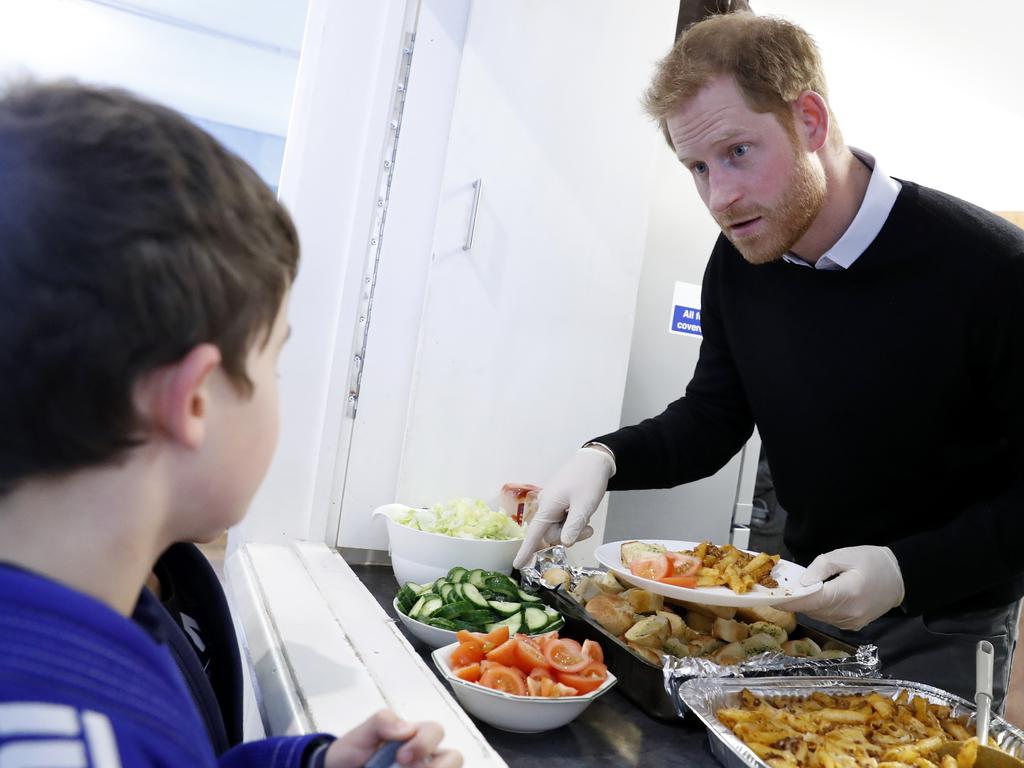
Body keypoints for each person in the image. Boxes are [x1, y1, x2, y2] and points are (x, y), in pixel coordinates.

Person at [514, 11, 1024, 710]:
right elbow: (714, 417)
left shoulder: (992, 271)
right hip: (797, 600)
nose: (719, 197)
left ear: (809, 120)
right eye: (697, 167)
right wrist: (606, 456)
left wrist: (907, 570)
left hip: (943, 625)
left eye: (737, 153)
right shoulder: (740, 260)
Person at [0, 81, 462, 768]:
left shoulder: (107, 606)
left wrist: (306, 764)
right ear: (194, 401)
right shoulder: (73, 740)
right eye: (274, 357)